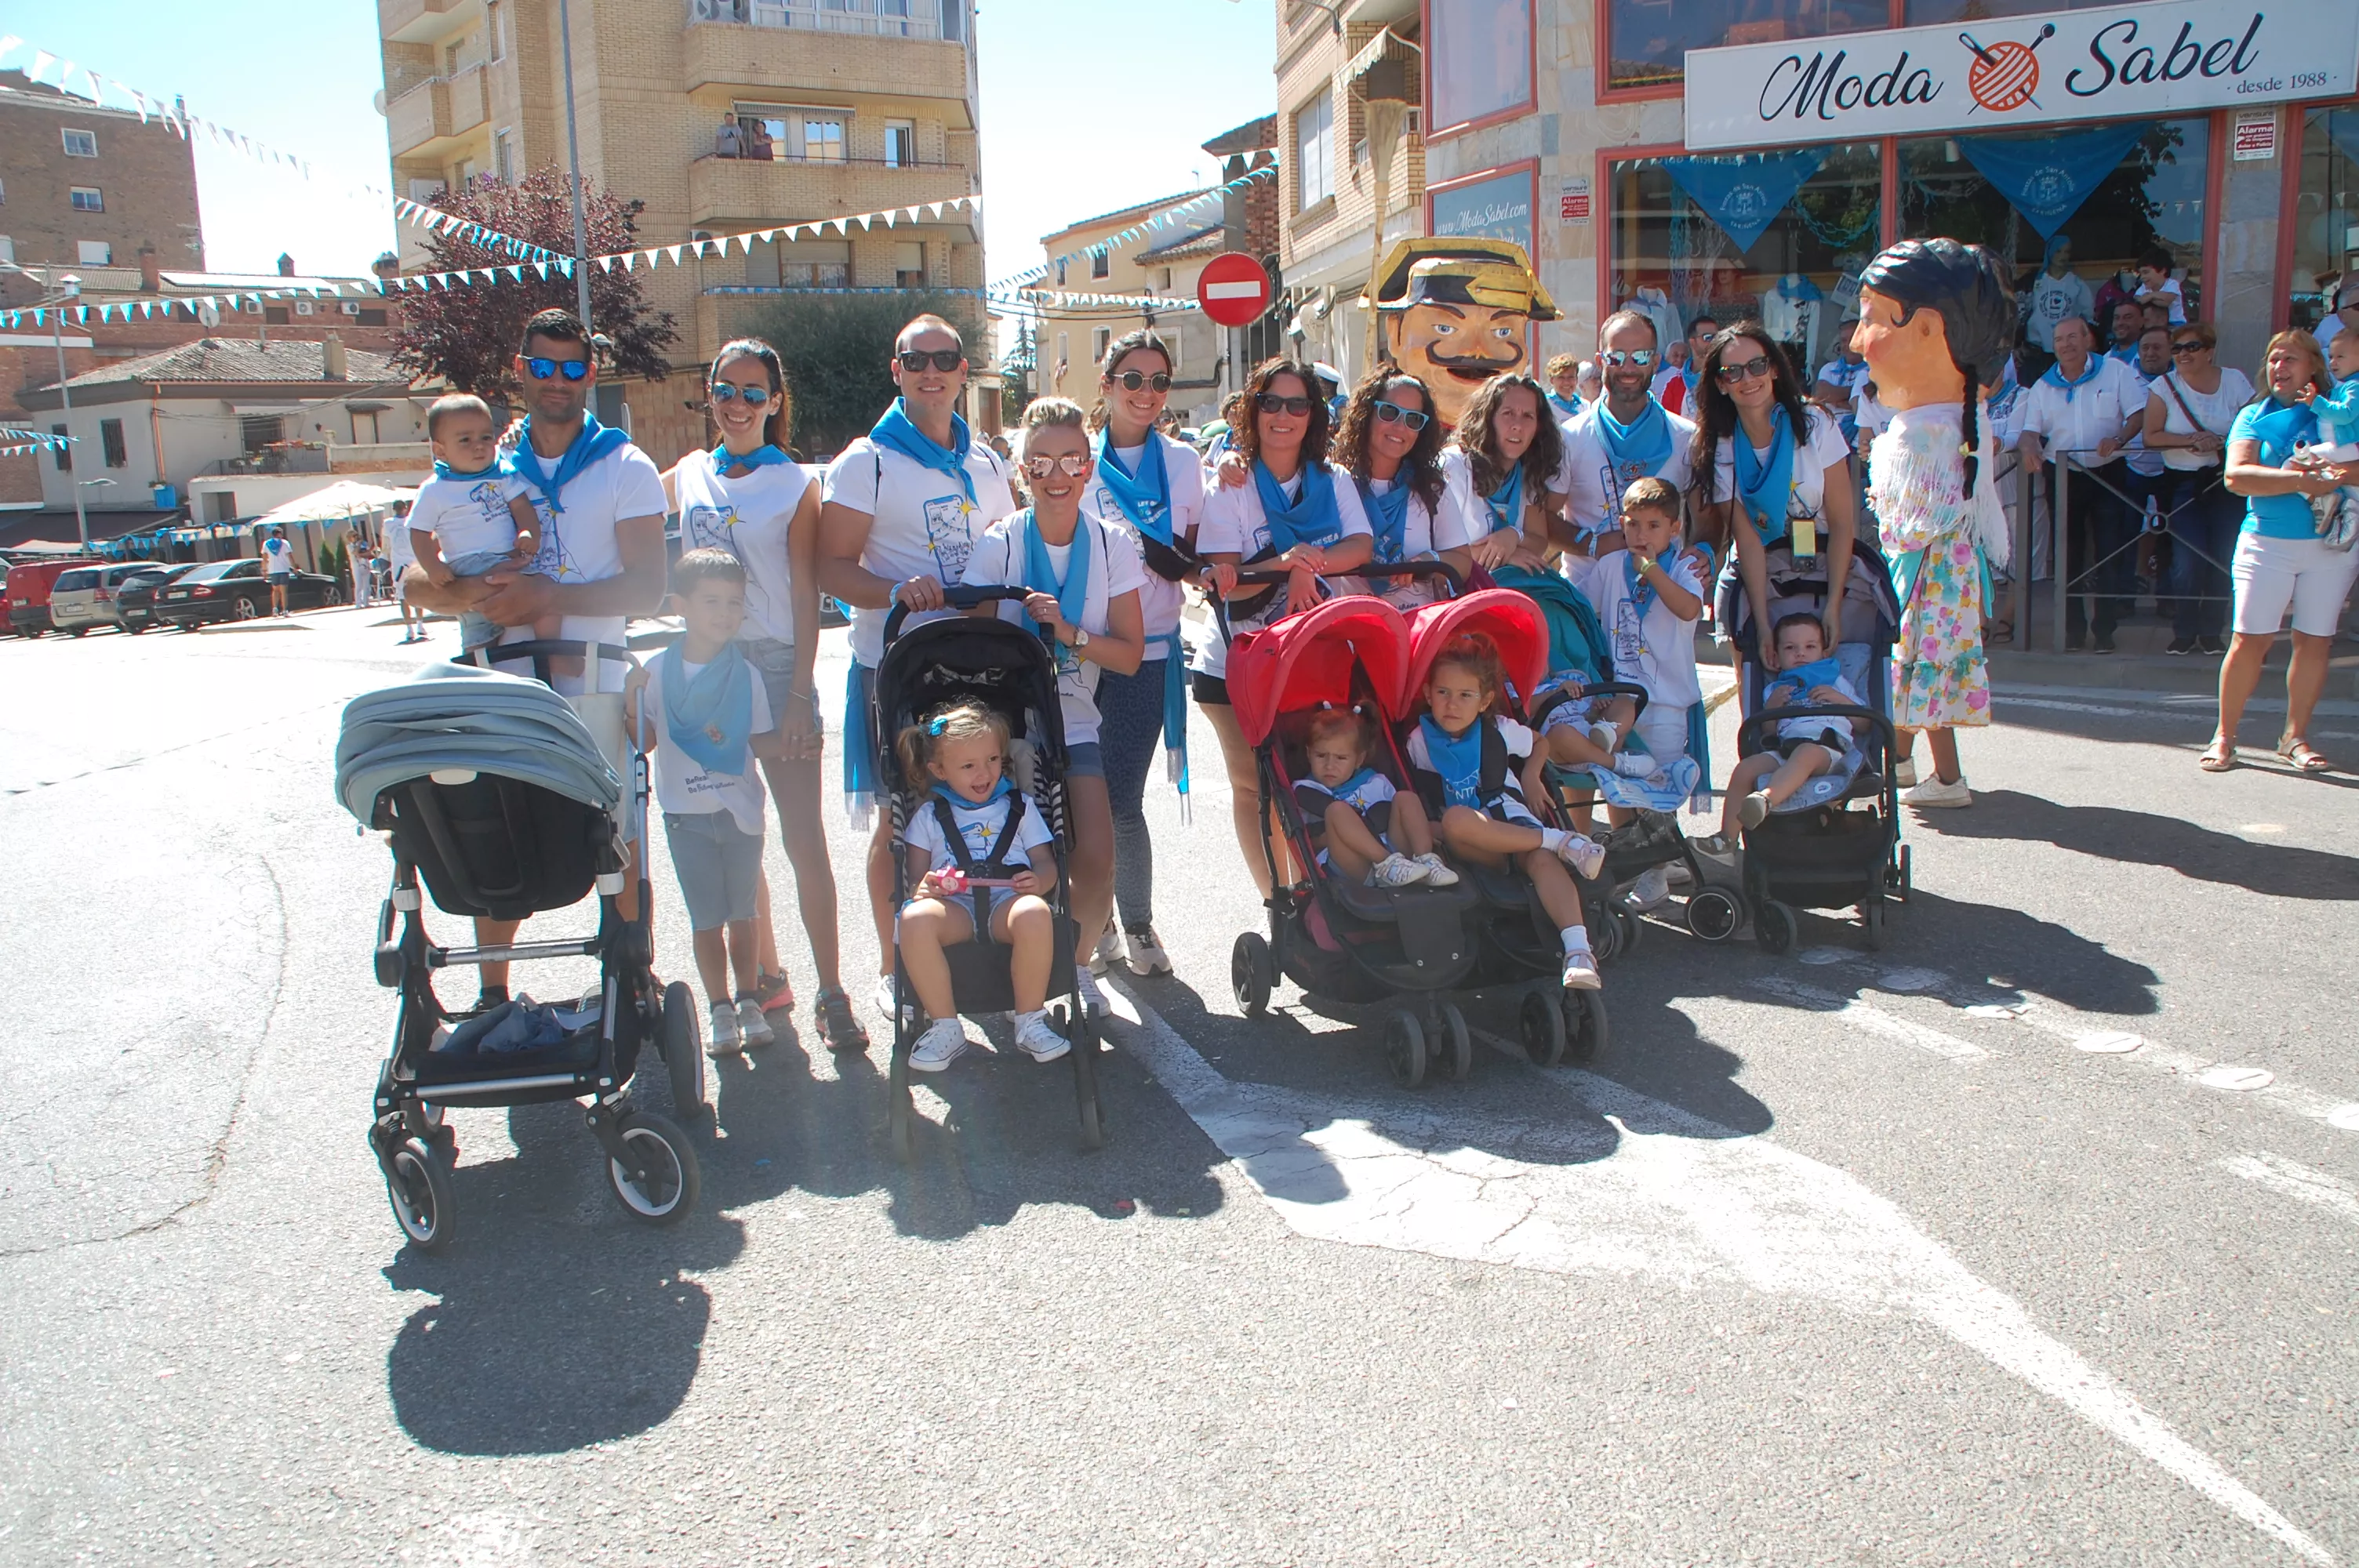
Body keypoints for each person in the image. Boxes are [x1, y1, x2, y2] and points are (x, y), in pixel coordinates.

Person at [401, 307, 670, 1007]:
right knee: (497, 832)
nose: (558, 381)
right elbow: (411, 579)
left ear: (590, 374)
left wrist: (549, 595)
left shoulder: (623, 464)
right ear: (520, 372)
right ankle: (494, 993)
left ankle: (630, 973)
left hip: (595, 672)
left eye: (573, 367)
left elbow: (649, 585)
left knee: (616, 831)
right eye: (543, 367)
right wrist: (468, 594)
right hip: (502, 679)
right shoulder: (478, 457)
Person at [663, 338, 864, 1052]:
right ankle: (766, 977)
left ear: (776, 403)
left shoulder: (792, 483)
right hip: (708, 665)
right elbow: (624, 505)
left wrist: (799, 694)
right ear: (709, 392)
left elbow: (808, 592)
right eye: (726, 389)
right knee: (732, 828)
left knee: (801, 833)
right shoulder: (688, 474)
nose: (738, 405)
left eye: (755, 393)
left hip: (778, 666)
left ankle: (831, 990)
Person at [817, 314, 1016, 1033]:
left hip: (978, 668)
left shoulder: (988, 463)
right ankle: (890, 962)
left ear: (965, 371)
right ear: (895, 371)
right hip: (896, 666)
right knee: (899, 821)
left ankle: (978, 949)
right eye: (916, 359)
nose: (932, 370)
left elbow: (1009, 550)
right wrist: (898, 588)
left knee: (982, 806)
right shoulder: (865, 460)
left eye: (946, 358)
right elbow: (831, 566)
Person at [965, 396, 1146, 1018]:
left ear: (1089, 466)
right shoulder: (999, 544)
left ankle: (1075, 966)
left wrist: (1069, 633)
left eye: (1071, 460)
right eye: (1040, 463)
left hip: (1072, 711)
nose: (1058, 476)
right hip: (1004, 718)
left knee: (1096, 854)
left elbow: (1128, 654)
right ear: (1022, 472)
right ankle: (1007, 969)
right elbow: (970, 646)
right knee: (1012, 853)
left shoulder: (1113, 543)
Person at [1197, 358, 1375, 898]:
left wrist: (1308, 562)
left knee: (1312, 781)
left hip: (1313, 658)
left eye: (1297, 404)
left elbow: (1359, 547)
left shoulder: (1333, 479)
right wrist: (1286, 563)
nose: (1283, 415)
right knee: (1254, 787)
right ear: (1253, 410)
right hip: (1237, 660)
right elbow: (1232, 583)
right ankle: (1278, 902)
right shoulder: (1230, 483)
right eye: (1271, 402)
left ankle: (1321, 893)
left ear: (1313, 415)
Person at [1855, 237, 2019, 810]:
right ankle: (1897, 759)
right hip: (1946, 570)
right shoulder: (1964, 418)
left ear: (1926, 328)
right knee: (1914, 670)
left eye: (1871, 320)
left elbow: (1908, 523)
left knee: (1922, 671)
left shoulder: (1923, 431)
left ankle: (1947, 779)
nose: (1857, 341)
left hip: (1924, 572)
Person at [1080, 329, 1206, 978]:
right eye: (1133, 380)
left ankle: (1135, 920)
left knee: (1120, 797)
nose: (1148, 394)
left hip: (1149, 655)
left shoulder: (1186, 464)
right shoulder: (1077, 460)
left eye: (1159, 381)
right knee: (1078, 794)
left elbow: (1187, 558)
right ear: (1107, 387)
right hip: (1077, 655)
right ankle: (1094, 919)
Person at [627, 550, 778, 1058]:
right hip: (684, 817)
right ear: (680, 606)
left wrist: (800, 741)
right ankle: (720, 1007)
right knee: (706, 920)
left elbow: (758, 741)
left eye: (734, 602)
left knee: (743, 914)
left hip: (740, 815)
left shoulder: (748, 676)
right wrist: (630, 699)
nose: (725, 613)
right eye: (711, 601)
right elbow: (641, 742)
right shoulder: (656, 672)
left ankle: (750, 999)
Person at [1404, 633, 1603, 991]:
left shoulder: (1499, 730)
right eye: (1443, 693)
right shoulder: (1420, 741)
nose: (1452, 704)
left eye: (1466, 695)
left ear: (1484, 702)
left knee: (1542, 863)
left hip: (1512, 820)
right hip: (1469, 839)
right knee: (1455, 820)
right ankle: (1562, 840)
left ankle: (1579, 952)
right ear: (1428, 694)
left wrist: (1530, 775)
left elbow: (1540, 742)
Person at [1691, 321, 1874, 701]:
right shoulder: (1721, 445)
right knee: (1762, 684)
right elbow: (1748, 540)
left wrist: (1835, 606)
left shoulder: (1814, 423)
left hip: (1825, 563)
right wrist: (1762, 624)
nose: (1748, 379)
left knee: (1830, 682)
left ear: (1774, 368)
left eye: (1757, 366)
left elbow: (1842, 524)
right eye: (1733, 372)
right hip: (1764, 571)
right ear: (1721, 384)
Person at [2208, 332, 2359, 774]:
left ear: (2314, 366)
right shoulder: (2254, 414)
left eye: (2290, 359)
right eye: (2273, 359)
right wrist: (2299, 481)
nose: (2279, 367)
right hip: (2266, 544)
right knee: (2248, 641)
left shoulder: (2342, 409)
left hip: (2331, 546)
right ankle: (2225, 736)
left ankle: (2294, 737)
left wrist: (2329, 474)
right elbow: (2236, 477)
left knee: (2315, 641)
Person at [892, 700, 1067, 1072]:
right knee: (914, 919)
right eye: (968, 766)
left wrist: (1040, 881)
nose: (983, 773)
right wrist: (928, 886)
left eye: (991, 760)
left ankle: (1030, 1020)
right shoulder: (928, 817)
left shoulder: (1019, 806)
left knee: (1036, 911)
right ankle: (945, 1026)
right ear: (939, 770)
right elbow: (915, 885)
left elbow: (1047, 865)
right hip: (954, 909)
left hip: (1008, 902)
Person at [1563, 475, 1707, 909]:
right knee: (1621, 784)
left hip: (1665, 701)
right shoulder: (1610, 567)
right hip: (1619, 696)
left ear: (1674, 528)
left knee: (1657, 787)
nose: (1641, 536)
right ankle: (1636, 861)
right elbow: (1582, 608)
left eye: (1653, 526)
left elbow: (1689, 609)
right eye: (1633, 525)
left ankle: (1657, 872)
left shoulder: (1682, 567)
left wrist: (1652, 571)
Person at [2016, 315, 2145, 653]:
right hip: (2063, 475)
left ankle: (2104, 631)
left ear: (2088, 339)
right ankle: (2072, 630)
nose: (2066, 345)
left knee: (2108, 553)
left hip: (2108, 472)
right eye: (2059, 340)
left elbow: (2137, 414)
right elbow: (2031, 430)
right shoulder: (2044, 385)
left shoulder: (2116, 371)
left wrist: (2119, 438)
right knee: (2067, 556)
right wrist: (2028, 447)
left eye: (2073, 337)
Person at [406, 392, 556, 652]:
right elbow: (419, 533)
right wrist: (433, 567)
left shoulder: (501, 476)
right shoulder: (435, 490)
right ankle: (480, 669)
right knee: (479, 629)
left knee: (546, 602)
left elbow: (522, 507)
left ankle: (553, 652)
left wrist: (529, 533)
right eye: (465, 440)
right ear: (440, 450)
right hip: (468, 566)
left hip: (507, 559)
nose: (478, 445)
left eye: (486, 437)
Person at [1703, 612, 1863, 852]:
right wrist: (1772, 708)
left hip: (1828, 750)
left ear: (1824, 652)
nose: (1801, 653)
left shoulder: (1836, 682)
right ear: (1776, 657)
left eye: (1810, 646)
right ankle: (1726, 840)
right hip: (1785, 749)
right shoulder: (1775, 689)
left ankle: (1765, 800)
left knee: (1806, 752)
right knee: (1745, 768)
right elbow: (1769, 734)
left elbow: (1866, 724)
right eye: (1791, 648)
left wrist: (1840, 701)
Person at [2142, 320, 2252, 655]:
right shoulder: (2163, 386)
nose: (2183, 354)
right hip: (2183, 484)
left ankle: (2211, 632)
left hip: (2225, 482)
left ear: (2209, 351)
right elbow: (2151, 436)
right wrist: (2190, 441)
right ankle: (2185, 631)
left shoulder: (2233, 380)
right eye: (2177, 349)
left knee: (2223, 557)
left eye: (2191, 347)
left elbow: (2252, 424)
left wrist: (2219, 441)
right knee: (2186, 561)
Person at [1553, 309, 1697, 557]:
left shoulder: (1686, 437)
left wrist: (1704, 551)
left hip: (1663, 593)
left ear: (1655, 362)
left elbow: (1706, 519)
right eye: (1616, 356)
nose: (1628, 368)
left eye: (1640, 357)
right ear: (1600, 362)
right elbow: (1538, 514)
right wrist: (1590, 544)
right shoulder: (1569, 438)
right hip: (1586, 593)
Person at [1332, 369, 1473, 612]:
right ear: (1367, 414)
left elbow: (1462, 561)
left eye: (1413, 419)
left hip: (1419, 630)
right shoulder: (1335, 481)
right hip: (1350, 631)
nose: (1400, 427)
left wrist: (1428, 562)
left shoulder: (1431, 487)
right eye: (1389, 412)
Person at [1293, 706, 1452, 889]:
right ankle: (1386, 864)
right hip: (1353, 865)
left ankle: (1427, 861)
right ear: (1308, 754)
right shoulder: (1305, 791)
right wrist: (1325, 838)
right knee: (1337, 810)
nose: (1330, 765)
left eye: (1341, 758)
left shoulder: (1376, 782)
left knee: (1406, 798)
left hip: (1399, 856)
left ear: (1359, 760)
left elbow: (1405, 820)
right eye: (1321, 756)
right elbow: (1304, 843)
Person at [1441, 373, 1561, 575]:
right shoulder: (1453, 466)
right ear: (1488, 418)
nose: (1517, 425)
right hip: (1455, 594)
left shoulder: (1529, 470)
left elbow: (1539, 541)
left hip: (1506, 592)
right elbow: (1432, 551)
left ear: (1538, 428)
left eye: (1528, 416)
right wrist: (1504, 556)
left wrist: (1514, 536)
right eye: (1508, 413)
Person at [2022, 238, 2093, 355]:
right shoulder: (2034, 281)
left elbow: (2087, 315)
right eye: (2058, 251)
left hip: (2067, 348)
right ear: (2050, 252)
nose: (2063, 256)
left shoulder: (2077, 284)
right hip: (2035, 348)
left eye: (2067, 252)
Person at [1814, 316, 1870, 448]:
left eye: (1852, 339)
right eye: (1844, 340)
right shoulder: (1829, 368)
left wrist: (1838, 399)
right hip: (1828, 436)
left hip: (1859, 440)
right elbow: (1822, 395)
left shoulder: (1873, 370)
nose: (1847, 345)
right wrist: (1855, 394)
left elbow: (1868, 408)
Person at [1658, 314, 1717, 417]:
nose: (1714, 342)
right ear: (1693, 342)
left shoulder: (1724, 378)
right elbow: (1666, 423)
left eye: (1717, 337)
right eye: (1707, 338)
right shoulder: (1674, 384)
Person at [2134, 249, 2187, 328]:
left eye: (2146, 272)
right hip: (2155, 324)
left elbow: (2166, 302)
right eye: (2141, 274)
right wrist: (2158, 296)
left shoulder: (2172, 284)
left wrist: (2150, 296)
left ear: (2162, 271)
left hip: (2176, 323)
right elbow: (2138, 299)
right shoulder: (2144, 286)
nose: (2142, 277)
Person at [263, 527, 293, 617]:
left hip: (272, 570)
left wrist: (265, 569)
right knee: (283, 591)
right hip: (283, 569)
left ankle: (275, 610)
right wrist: (294, 567)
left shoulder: (267, 544)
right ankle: (285, 610)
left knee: (275, 590)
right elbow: (290, 556)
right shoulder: (284, 543)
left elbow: (264, 558)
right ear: (280, 534)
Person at [1545, 353, 1584, 421]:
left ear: (1577, 379)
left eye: (1571, 377)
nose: (1566, 382)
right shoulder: (1545, 405)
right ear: (1552, 380)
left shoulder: (1585, 406)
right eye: (1561, 377)